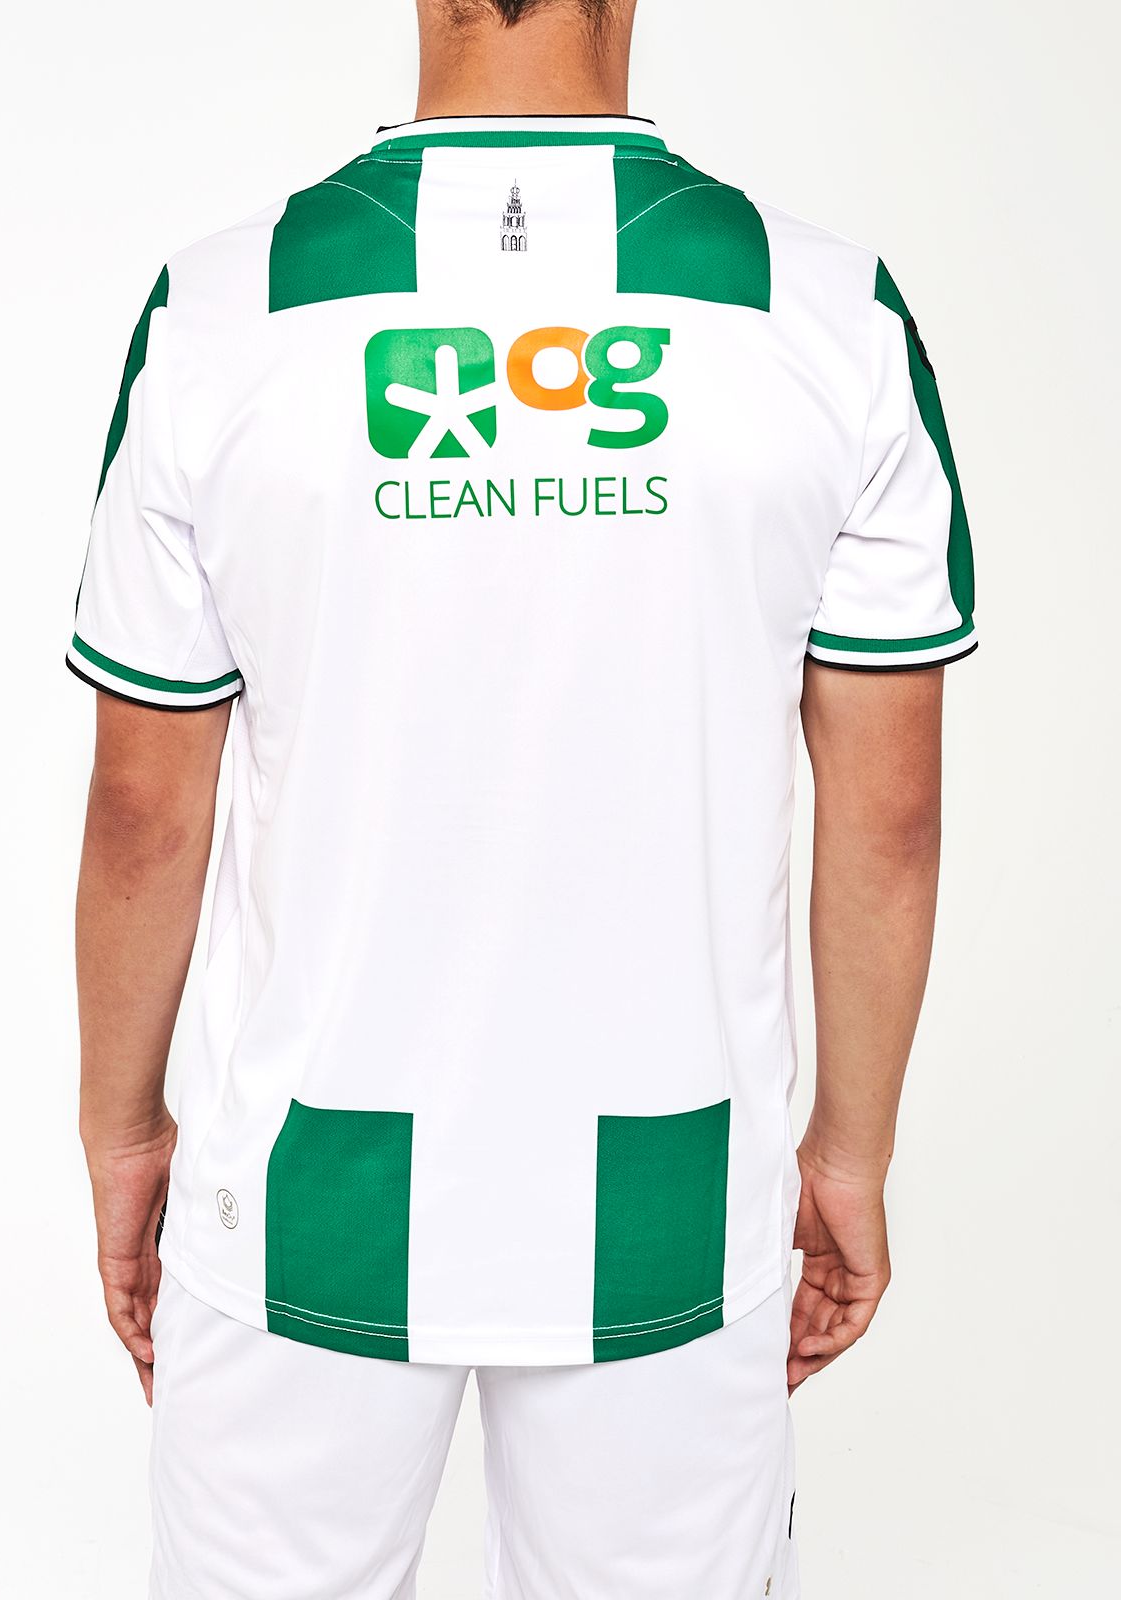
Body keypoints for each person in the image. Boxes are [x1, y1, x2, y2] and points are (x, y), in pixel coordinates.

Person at [70, 1, 975, 1595]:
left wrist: (123, 1127)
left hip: (299, 1190)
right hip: (677, 1200)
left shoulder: (221, 310)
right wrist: (845, 1157)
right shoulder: (831, 315)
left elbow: (146, 813)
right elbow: (886, 817)